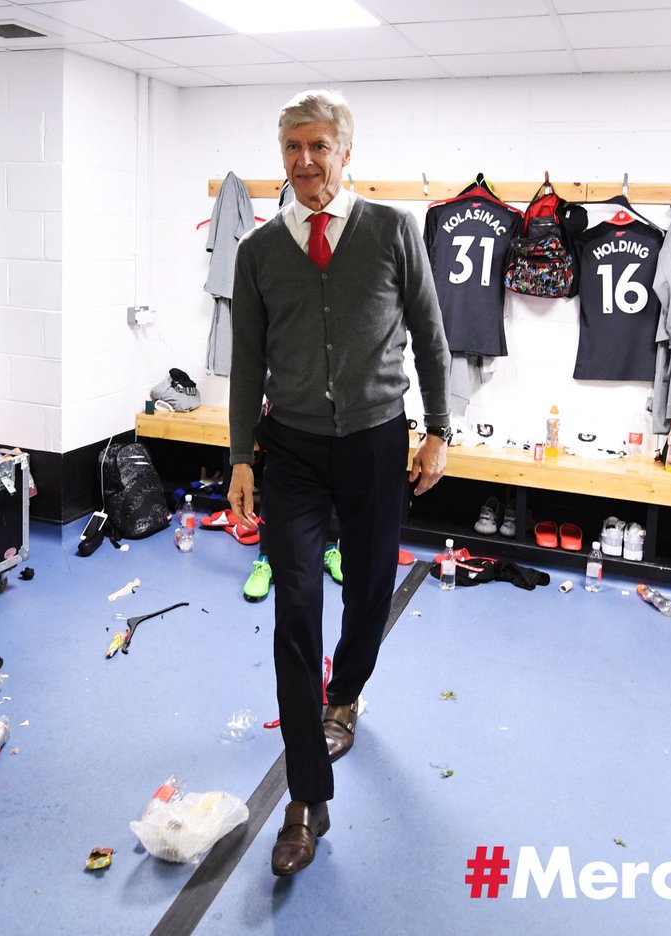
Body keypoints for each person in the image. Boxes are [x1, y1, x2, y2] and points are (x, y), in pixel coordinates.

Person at [228, 89, 452, 877]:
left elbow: (430, 335)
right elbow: (246, 361)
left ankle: (346, 692)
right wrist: (240, 456)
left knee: (366, 592)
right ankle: (305, 798)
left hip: (375, 440)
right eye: (292, 148)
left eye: (319, 147)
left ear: (345, 153)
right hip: (288, 448)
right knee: (296, 610)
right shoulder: (258, 251)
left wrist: (438, 433)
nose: (305, 162)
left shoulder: (393, 230)